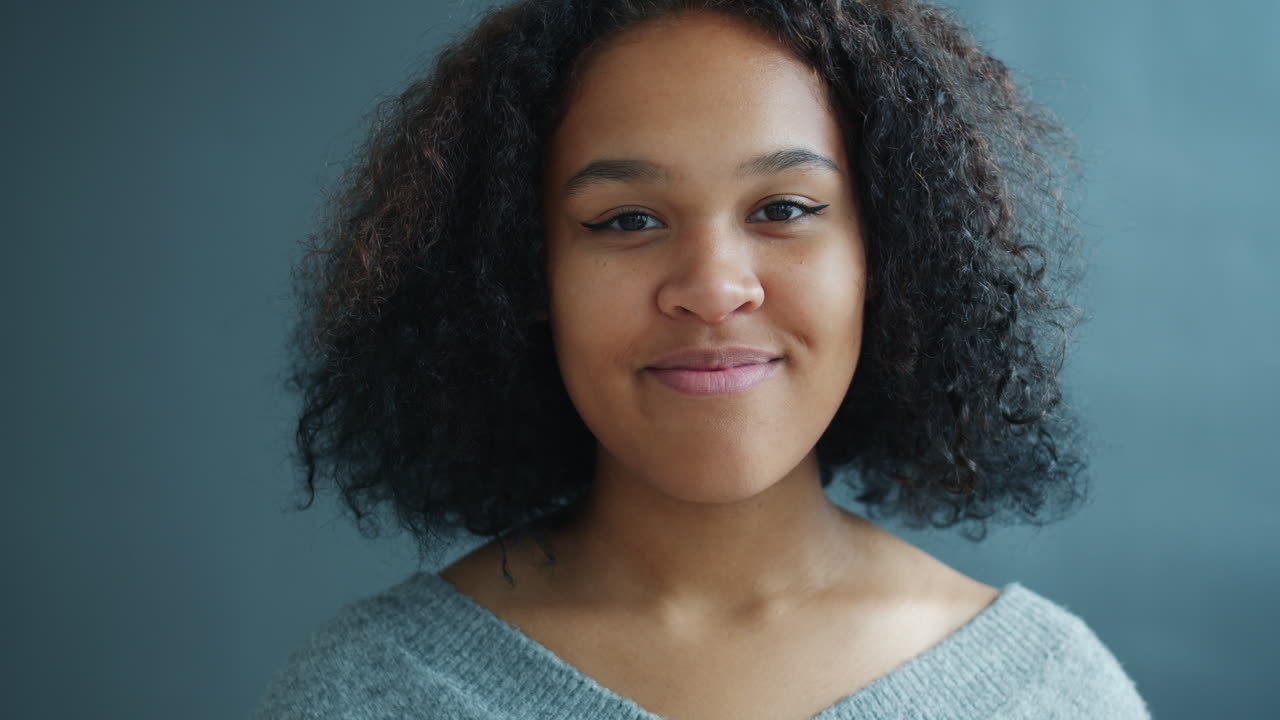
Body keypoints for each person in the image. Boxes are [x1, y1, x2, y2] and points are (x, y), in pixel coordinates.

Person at [254, 0, 1152, 718]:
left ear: (888, 255)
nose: (714, 288)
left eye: (786, 209)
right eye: (627, 220)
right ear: (523, 274)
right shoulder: (366, 694)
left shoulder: (1047, 695)